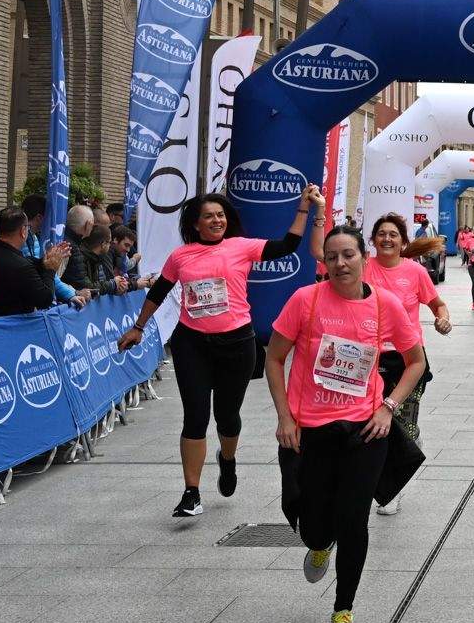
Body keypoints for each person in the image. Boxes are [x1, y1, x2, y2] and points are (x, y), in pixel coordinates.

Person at [266, 223, 424, 623]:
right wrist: (284, 417)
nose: (339, 264)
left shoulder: (384, 305)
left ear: (363, 258)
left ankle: (343, 609)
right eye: (331, 257)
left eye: (348, 255)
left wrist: (388, 408)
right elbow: (275, 358)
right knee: (315, 523)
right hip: (309, 430)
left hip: (363, 431)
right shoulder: (306, 300)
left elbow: (415, 362)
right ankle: (319, 545)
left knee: (354, 519)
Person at [119, 185, 322, 518]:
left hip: (236, 344)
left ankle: (227, 460)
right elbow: (158, 292)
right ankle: (191, 492)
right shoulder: (180, 256)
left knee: (228, 416)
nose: (216, 220)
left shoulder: (241, 247)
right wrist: (138, 327)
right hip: (192, 343)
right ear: (195, 224)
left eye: (220, 215)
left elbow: (288, 245)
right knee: (195, 416)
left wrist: (303, 209)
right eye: (208, 216)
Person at [315, 213, 451, 516]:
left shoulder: (415, 272)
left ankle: (394, 487)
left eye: (393, 235)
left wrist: (443, 318)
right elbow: (321, 255)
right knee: (374, 421)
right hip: (368, 358)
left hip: (408, 358)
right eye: (381, 234)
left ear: (403, 242)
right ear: (372, 242)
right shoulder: (363, 267)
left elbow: (436, 303)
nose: (387, 239)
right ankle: (387, 457)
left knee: (402, 422)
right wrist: (316, 218)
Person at [0, 207, 72, 317]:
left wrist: (42, 263)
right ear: (23, 231)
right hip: (13, 327)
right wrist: (50, 269)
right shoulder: (21, 266)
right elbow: (44, 300)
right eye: (28, 227)